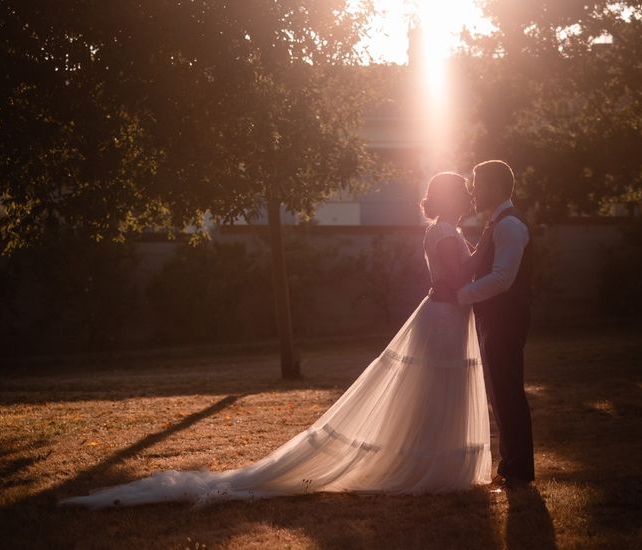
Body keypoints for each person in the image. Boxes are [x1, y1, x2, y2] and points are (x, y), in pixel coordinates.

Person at [58, 172, 494, 509]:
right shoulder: (445, 233)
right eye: (464, 194)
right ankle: (433, 467)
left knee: (439, 390)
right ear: (451, 197)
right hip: (443, 316)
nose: (469, 200)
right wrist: (487, 248)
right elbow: (458, 277)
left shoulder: (442, 230)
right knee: (437, 387)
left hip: (445, 315)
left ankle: (435, 462)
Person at [430, 160, 535, 489]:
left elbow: (502, 278)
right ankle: (511, 465)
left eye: (477, 183)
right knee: (501, 390)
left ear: (495, 187)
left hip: (506, 316)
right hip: (495, 316)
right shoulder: (497, 223)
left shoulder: (509, 226)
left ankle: (518, 468)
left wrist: (461, 296)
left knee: (508, 390)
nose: (473, 191)